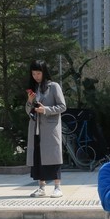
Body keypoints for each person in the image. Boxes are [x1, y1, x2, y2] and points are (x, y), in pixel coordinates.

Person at [25, 60, 66, 198]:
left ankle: (57, 187)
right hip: (36, 128)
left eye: (38, 73)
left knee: (53, 157)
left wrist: (46, 110)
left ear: (44, 72)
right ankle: (41, 187)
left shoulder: (53, 86)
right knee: (38, 157)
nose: (36, 76)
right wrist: (30, 101)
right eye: (33, 73)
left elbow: (62, 106)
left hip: (50, 128)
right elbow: (28, 110)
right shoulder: (33, 88)